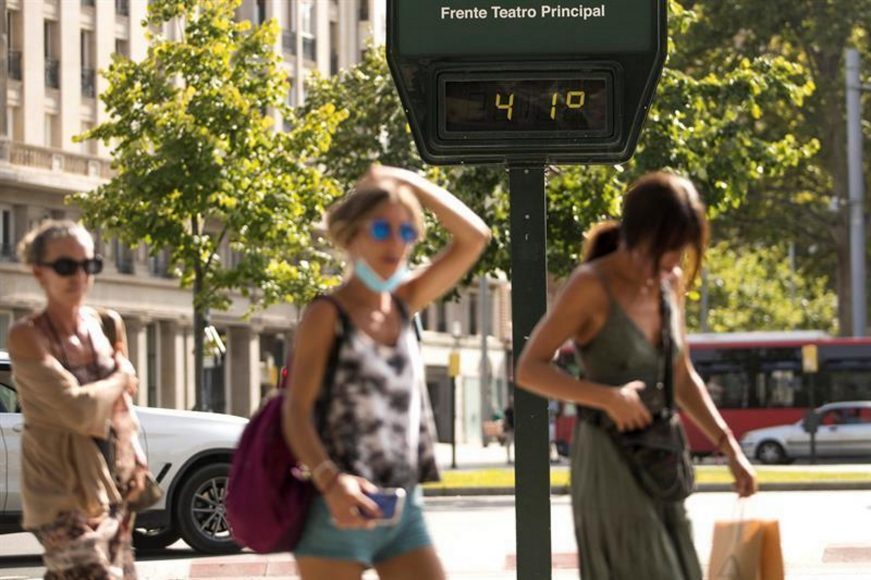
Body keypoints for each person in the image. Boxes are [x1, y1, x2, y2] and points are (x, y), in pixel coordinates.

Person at [516, 172, 758, 580]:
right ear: (637, 235)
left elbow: (681, 378)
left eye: (679, 250)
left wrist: (729, 448)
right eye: (664, 249)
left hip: (661, 458)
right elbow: (529, 368)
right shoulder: (591, 285)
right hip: (609, 462)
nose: (671, 262)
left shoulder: (670, 284)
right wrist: (606, 397)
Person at [284, 165, 490, 580]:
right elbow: (295, 412)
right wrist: (331, 482)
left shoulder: (404, 301)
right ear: (352, 235)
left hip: (402, 509)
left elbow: (475, 237)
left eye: (407, 231)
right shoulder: (327, 314)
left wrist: (407, 183)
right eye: (381, 230)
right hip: (336, 510)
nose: (395, 243)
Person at [8, 220, 146, 580]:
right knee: (96, 573)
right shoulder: (26, 335)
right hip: (54, 487)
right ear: (40, 273)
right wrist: (121, 376)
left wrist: (135, 455)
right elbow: (77, 410)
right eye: (66, 266)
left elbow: (121, 404)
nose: (80, 275)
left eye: (89, 265)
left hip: (106, 483)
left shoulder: (104, 324)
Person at [502, 396, 515, 464]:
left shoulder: (515, 409)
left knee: (510, 444)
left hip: (514, 428)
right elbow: (505, 419)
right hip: (510, 429)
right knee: (508, 444)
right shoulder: (508, 410)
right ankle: (509, 458)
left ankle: (511, 458)